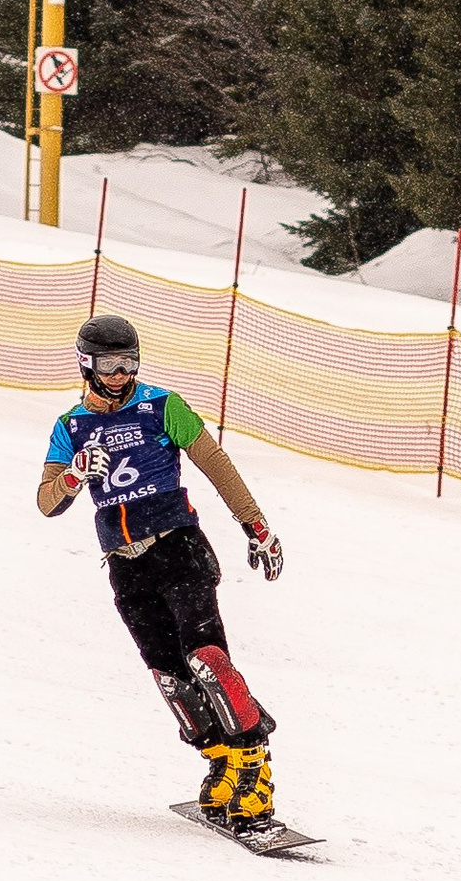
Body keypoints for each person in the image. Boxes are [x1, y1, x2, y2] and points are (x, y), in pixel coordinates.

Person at [38, 310, 288, 831]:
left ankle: (253, 766)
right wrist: (74, 475)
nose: (120, 374)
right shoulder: (70, 426)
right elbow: (46, 502)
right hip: (125, 564)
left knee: (207, 659)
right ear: (86, 365)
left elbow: (215, 463)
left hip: (178, 548)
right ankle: (220, 761)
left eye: (129, 361)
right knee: (169, 675)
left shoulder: (160, 406)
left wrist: (255, 524)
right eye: (108, 363)